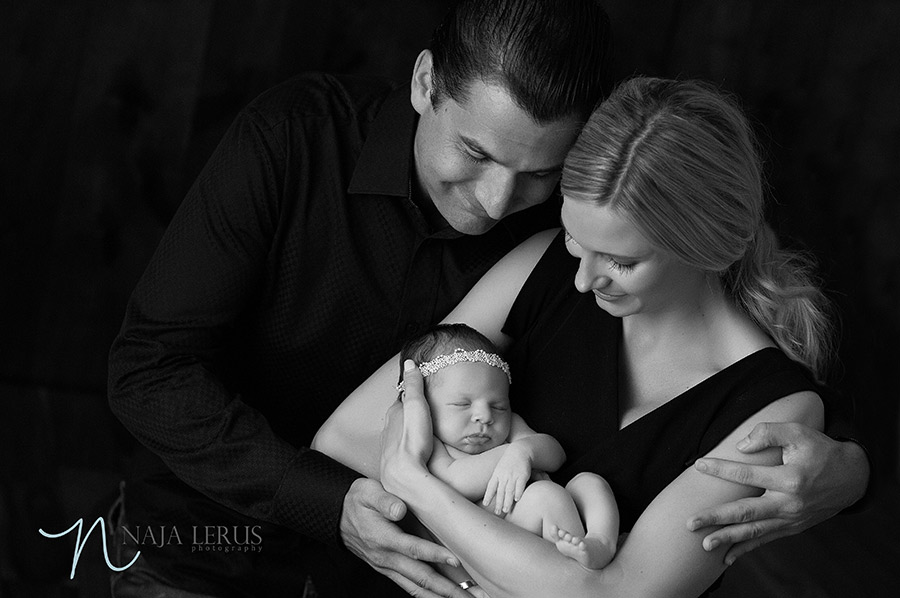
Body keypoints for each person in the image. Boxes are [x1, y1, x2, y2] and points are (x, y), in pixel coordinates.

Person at [107, 0, 868, 595]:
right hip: (212, 538)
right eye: (475, 153)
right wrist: (338, 501)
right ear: (425, 83)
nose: (500, 200)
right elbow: (155, 373)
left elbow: (731, 275)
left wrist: (858, 471)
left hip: (398, 558)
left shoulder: (582, 215)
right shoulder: (297, 141)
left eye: (539, 173)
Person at [315, 77, 868, 597]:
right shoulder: (547, 266)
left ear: (711, 246)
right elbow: (343, 439)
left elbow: (615, 593)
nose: (583, 279)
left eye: (621, 262)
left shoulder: (776, 411)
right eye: (579, 242)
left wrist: (414, 481)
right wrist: (534, 572)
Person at [392, 323, 619, 570]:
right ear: (424, 405)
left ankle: (600, 542)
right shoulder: (431, 442)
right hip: (501, 532)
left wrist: (524, 452)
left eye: (498, 405)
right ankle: (578, 575)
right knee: (548, 496)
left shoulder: (509, 427)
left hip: (551, 518)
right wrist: (509, 454)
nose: (485, 415)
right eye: (461, 404)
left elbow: (556, 455)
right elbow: (455, 482)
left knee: (588, 482)